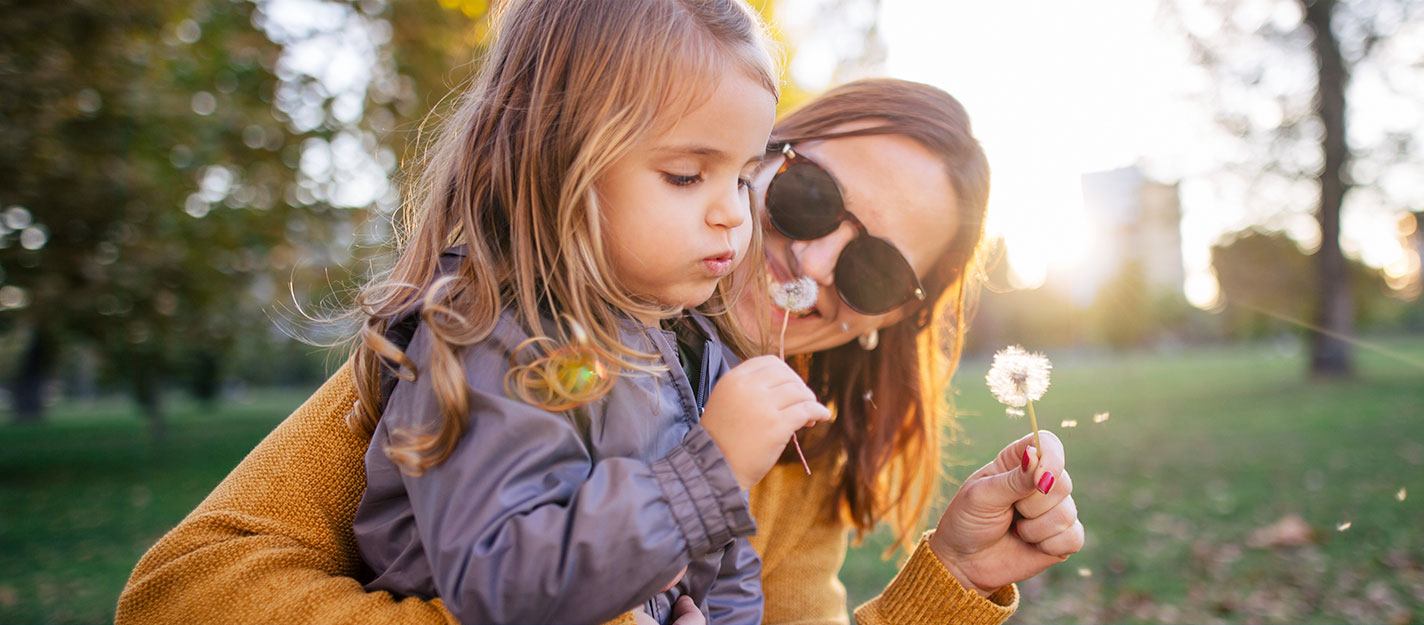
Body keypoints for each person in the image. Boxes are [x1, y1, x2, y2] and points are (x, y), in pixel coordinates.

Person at [116, 79, 1084, 625]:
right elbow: (180, 595)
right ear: (746, 157)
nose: (814, 257)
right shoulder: (515, 332)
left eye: (874, 270)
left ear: (889, 320)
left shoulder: (804, 457)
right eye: (812, 197)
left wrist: (950, 577)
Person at [294, 0, 823, 623]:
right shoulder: (493, 339)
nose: (733, 213)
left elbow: (727, 565)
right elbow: (500, 582)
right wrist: (708, 476)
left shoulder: (698, 352)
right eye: (685, 175)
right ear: (553, 160)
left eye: (741, 177)